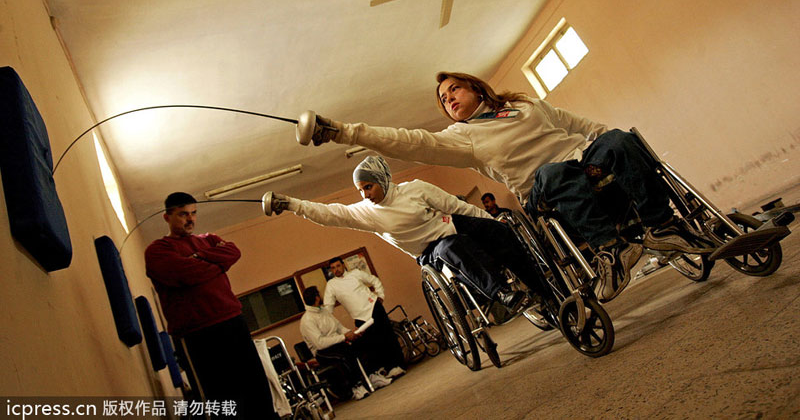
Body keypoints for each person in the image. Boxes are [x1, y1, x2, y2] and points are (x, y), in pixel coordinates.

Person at [301, 72, 711, 303]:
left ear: (475, 87)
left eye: (453, 91)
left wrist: (606, 142)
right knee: (553, 172)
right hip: (545, 188)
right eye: (443, 100)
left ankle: (664, 226)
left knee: (621, 139)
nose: (449, 101)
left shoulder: (525, 104)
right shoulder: (462, 137)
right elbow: (409, 141)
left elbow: (576, 125)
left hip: (584, 161)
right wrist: (342, 132)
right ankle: (610, 251)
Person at [265, 156, 542, 314]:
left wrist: (490, 221)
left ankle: (541, 284)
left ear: (383, 179)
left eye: (369, 187)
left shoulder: (416, 188)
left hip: (453, 224)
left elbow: (456, 206)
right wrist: (292, 205)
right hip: (429, 252)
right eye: (361, 190)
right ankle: (502, 293)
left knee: (497, 231)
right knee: (450, 247)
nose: (365, 194)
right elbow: (329, 213)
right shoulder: (366, 211)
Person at [145, 192, 277, 419]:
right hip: (197, 334)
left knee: (255, 389)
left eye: (194, 213)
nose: (190, 219)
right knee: (221, 401)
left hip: (232, 321)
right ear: (167, 217)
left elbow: (233, 252)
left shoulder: (210, 239)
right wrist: (217, 264)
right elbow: (185, 274)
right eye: (183, 214)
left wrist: (198, 257)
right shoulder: (158, 250)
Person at [321, 255, 407, 380]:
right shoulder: (331, 285)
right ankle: (387, 368)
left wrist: (381, 295)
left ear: (343, 265)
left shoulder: (355, 273)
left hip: (374, 308)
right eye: (333, 268)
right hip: (359, 317)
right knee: (372, 343)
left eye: (338, 266)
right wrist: (324, 322)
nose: (336, 269)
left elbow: (374, 280)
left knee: (388, 336)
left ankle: (399, 366)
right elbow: (328, 307)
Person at [299, 286, 390, 400]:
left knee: (362, 343)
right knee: (345, 355)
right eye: (319, 294)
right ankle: (356, 386)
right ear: (317, 298)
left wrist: (352, 333)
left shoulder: (324, 311)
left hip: (337, 343)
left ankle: (371, 376)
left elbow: (339, 327)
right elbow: (320, 343)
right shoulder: (307, 320)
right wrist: (344, 337)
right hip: (322, 352)